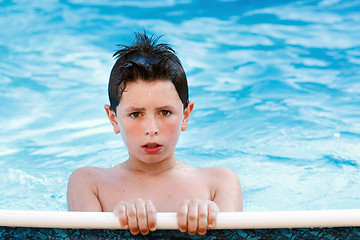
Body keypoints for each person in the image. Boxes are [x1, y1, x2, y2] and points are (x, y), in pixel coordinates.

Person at [67, 31, 242, 236]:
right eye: (135, 114)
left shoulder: (218, 184)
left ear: (186, 115)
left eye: (165, 112)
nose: (151, 128)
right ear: (113, 118)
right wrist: (114, 228)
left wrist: (211, 220)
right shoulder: (89, 184)